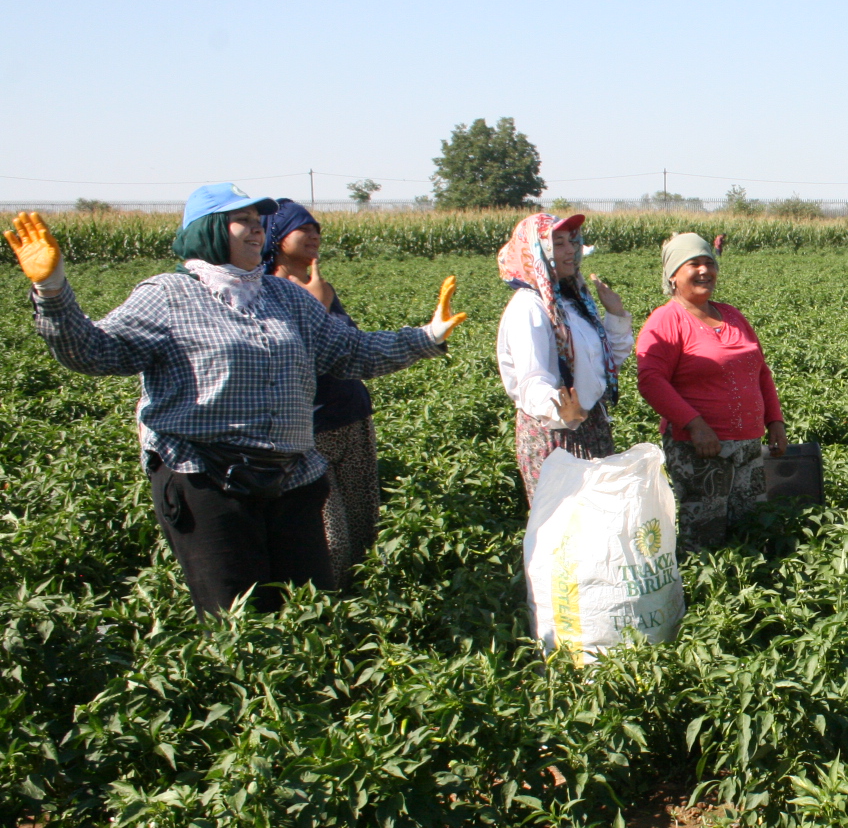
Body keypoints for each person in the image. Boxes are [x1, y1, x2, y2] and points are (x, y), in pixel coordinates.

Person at [7, 186, 465, 614]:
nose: (257, 227)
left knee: (306, 610)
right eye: (241, 220)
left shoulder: (285, 296)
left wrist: (426, 336)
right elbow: (93, 351)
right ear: (207, 230)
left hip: (292, 479)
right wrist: (53, 291)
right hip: (206, 480)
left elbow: (351, 352)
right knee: (236, 615)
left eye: (259, 220)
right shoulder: (169, 295)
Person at [636, 232, 785, 551]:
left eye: (709, 262)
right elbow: (651, 380)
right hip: (702, 449)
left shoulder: (731, 315)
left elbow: (760, 371)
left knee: (750, 529)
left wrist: (775, 422)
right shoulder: (665, 321)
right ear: (673, 275)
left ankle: (748, 597)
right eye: (693, 264)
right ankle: (704, 597)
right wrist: (695, 424)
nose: (704, 270)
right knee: (704, 537)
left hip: (748, 445)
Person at [262, 199, 378, 587]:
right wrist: (316, 306)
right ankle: (327, 614)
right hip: (308, 430)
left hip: (350, 416)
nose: (313, 235)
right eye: (303, 228)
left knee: (365, 523)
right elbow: (283, 360)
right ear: (277, 237)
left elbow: (351, 346)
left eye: (317, 228)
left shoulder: (321, 286)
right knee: (330, 535)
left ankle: (362, 602)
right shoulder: (268, 291)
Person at [495, 212, 633, 502]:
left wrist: (616, 314)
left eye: (571, 241)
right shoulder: (529, 308)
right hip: (557, 434)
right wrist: (560, 411)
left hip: (589, 422)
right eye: (558, 244)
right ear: (535, 251)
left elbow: (606, 364)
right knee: (567, 531)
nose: (571, 250)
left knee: (598, 524)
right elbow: (531, 381)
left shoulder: (570, 302)